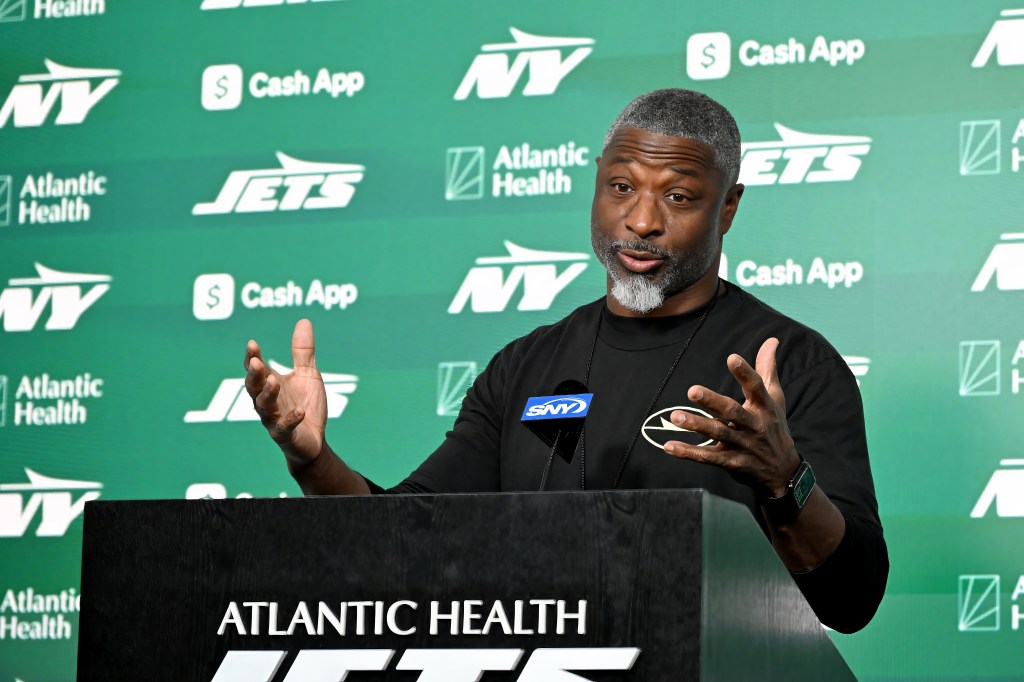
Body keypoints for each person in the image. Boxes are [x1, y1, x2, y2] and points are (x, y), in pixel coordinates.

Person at [242, 89, 888, 633]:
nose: (641, 220)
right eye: (621, 187)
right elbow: (404, 541)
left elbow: (851, 600)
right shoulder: (526, 365)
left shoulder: (791, 366)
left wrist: (787, 481)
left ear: (729, 207)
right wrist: (313, 460)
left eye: (680, 197)